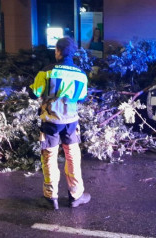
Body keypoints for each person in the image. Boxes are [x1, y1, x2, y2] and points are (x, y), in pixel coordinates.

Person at [29, 37, 91, 210]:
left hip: (50, 122)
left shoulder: (46, 72)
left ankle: (51, 197)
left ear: (58, 51)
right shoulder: (81, 74)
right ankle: (76, 195)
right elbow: (82, 97)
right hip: (70, 122)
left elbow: (34, 93)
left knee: (49, 157)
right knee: (72, 157)